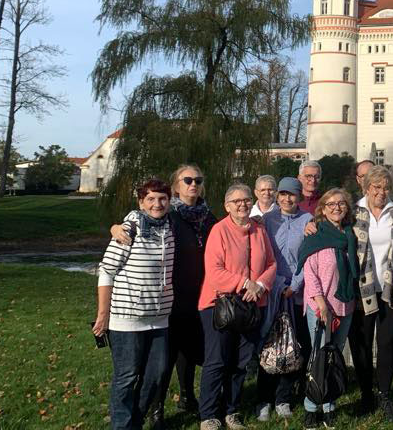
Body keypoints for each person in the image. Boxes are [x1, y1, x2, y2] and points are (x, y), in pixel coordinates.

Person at [109, 165, 218, 425]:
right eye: (187, 180)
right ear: (176, 186)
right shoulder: (169, 214)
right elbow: (138, 219)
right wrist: (115, 227)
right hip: (168, 295)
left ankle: (186, 394)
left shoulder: (208, 217)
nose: (193, 184)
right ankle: (156, 409)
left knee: (189, 350)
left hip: (200, 293)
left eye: (198, 180)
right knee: (165, 357)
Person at [94, 178, 176, 430]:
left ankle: (136, 421)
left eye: (162, 198)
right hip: (126, 318)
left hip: (159, 318)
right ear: (141, 202)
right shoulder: (130, 229)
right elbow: (106, 271)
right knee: (127, 377)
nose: (157, 204)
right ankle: (122, 425)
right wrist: (102, 315)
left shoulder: (170, 227)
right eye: (150, 199)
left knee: (157, 375)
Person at [198, 183, 277, 430]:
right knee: (217, 360)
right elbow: (214, 271)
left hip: (253, 305)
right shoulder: (219, 231)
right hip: (221, 305)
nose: (242, 205)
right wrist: (245, 283)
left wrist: (260, 286)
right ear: (227, 206)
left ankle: (231, 411)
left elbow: (272, 263)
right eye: (236, 201)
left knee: (241, 362)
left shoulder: (259, 230)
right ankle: (209, 414)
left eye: (245, 200)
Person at [352, 165, 393, 420]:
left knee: (385, 343)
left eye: (386, 187)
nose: (381, 192)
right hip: (361, 288)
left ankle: (385, 394)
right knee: (362, 344)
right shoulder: (353, 212)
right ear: (366, 187)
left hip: (389, 289)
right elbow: (327, 224)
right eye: (376, 187)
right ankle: (366, 394)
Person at [297, 188, 359, 429]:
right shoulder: (316, 235)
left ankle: (329, 404)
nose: (336, 207)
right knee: (319, 356)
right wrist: (321, 302)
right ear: (322, 209)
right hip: (321, 306)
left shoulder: (349, 235)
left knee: (335, 356)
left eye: (341, 204)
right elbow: (309, 271)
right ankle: (311, 407)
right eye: (331, 204)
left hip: (346, 304)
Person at [257, 177, 315, 420]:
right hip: (271, 292)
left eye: (292, 194)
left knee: (292, 346)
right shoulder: (266, 221)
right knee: (268, 345)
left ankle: (283, 398)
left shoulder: (308, 221)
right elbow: (262, 255)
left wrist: (294, 284)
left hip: (296, 294)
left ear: (299, 196)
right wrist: (275, 284)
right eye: (282, 194)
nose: (287, 199)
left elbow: (309, 257)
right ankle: (263, 400)